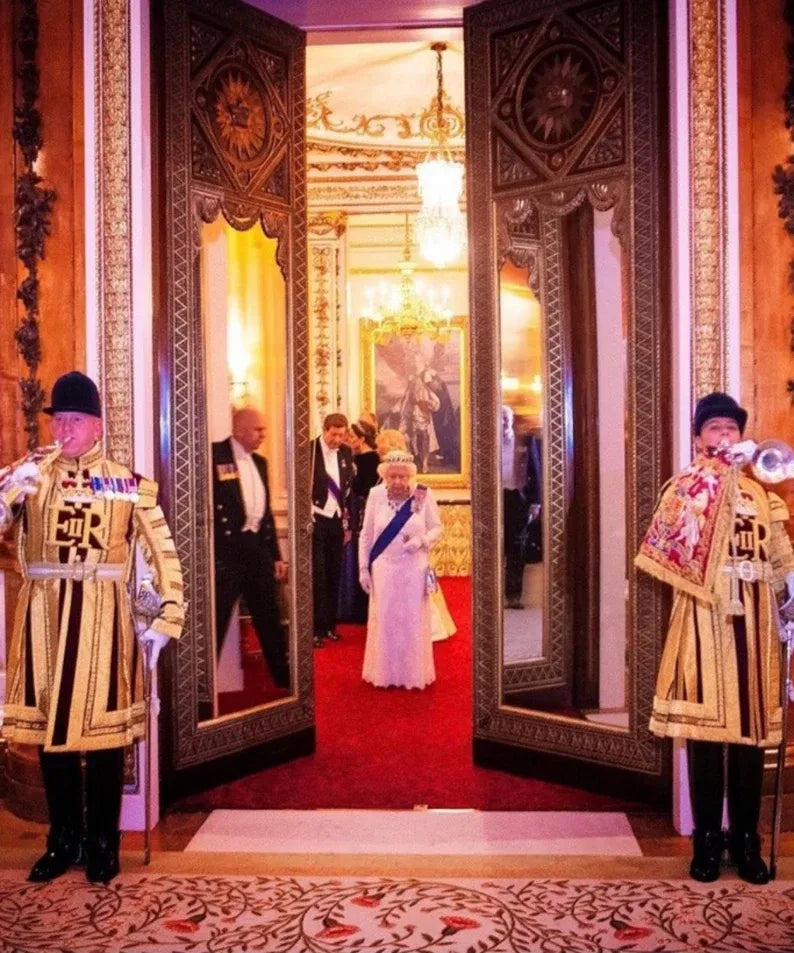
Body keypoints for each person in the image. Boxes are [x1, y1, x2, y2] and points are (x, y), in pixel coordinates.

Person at [0, 371, 184, 884]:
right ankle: (63, 839)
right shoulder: (29, 475)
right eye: (59, 419)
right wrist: (11, 487)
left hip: (104, 617)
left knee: (102, 738)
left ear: (97, 426)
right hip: (42, 617)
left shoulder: (128, 484)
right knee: (50, 735)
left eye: (75, 420)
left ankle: (104, 842)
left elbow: (160, 552)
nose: (64, 429)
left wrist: (165, 617)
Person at [636, 391, 794, 884]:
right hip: (704, 618)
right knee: (705, 740)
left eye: (732, 429)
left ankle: (745, 839)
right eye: (715, 429)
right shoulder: (684, 487)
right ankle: (706, 838)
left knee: (750, 742)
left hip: (756, 624)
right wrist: (713, 479)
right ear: (699, 438)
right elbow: (666, 544)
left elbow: (781, 557)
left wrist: (791, 600)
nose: (725, 437)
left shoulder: (766, 496)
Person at [212, 408, 289, 690]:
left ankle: (283, 680)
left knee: (269, 618)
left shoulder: (261, 462)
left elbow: (266, 514)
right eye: (258, 430)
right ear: (240, 429)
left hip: (256, 550)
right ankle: (202, 689)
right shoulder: (214, 456)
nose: (263, 435)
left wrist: (276, 556)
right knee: (216, 621)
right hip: (227, 554)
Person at [358, 450, 442, 689]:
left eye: (402, 477)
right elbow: (366, 535)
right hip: (384, 566)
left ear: (410, 476)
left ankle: (411, 676)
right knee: (385, 619)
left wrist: (422, 541)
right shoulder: (375, 495)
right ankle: (384, 675)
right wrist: (363, 568)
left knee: (411, 620)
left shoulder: (423, 494)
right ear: (384, 476)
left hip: (414, 567)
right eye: (392, 476)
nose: (397, 481)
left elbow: (437, 528)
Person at [311, 413, 353, 648]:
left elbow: (347, 491)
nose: (338, 439)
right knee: (318, 576)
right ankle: (315, 628)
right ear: (325, 429)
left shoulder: (346, 453)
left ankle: (329, 626)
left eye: (341, 434)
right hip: (316, 518)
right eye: (334, 434)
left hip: (336, 521)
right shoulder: (309, 451)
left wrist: (347, 524)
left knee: (333, 574)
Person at [338, 420, 380, 624]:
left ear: (362, 439)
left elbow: (363, 489)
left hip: (363, 514)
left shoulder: (370, 460)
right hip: (356, 513)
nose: (348, 440)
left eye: (351, 437)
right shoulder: (357, 458)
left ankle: (360, 609)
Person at [399, 353, 440, 473]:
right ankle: (415, 460)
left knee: (424, 436)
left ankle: (425, 463)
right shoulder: (412, 377)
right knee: (411, 436)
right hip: (411, 410)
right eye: (414, 360)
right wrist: (402, 407)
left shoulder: (426, 374)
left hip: (422, 410)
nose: (416, 362)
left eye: (418, 360)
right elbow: (408, 394)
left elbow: (430, 390)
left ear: (422, 361)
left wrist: (430, 403)